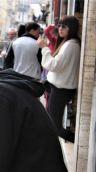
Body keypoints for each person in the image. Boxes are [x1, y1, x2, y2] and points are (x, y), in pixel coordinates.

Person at [37, 15, 81, 143]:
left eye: (64, 26)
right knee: (49, 120)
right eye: (59, 26)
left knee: (55, 126)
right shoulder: (69, 43)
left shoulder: (70, 45)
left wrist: (44, 48)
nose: (60, 29)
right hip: (58, 87)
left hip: (61, 90)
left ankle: (79, 143)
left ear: (71, 28)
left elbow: (54, 65)